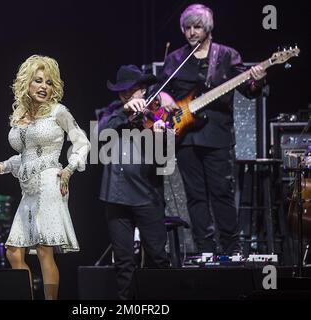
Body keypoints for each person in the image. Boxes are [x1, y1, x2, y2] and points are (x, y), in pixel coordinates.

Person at [156, 4, 267, 255]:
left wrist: (256, 80)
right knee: (195, 197)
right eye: (187, 28)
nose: (192, 32)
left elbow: (249, 90)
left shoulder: (227, 56)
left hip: (217, 137)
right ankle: (205, 250)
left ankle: (231, 249)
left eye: (197, 27)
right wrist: (163, 95)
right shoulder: (176, 58)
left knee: (222, 194)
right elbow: (161, 87)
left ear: (207, 28)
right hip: (186, 137)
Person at [0, 55, 90, 300]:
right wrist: (0, 166)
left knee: (43, 249)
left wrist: (69, 169)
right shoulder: (21, 116)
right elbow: (26, 157)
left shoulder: (58, 112)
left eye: (49, 83)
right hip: (28, 188)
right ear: (27, 84)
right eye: (38, 81)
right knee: (13, 252)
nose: (44, 86)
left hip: (50, 182)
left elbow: (82, 141)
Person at [96, 65, 170, 300]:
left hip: (148, 196)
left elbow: (165, 160)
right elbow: (98, 137)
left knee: (158, 258)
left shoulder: (156, 114)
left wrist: (161, 138)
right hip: (116, 197)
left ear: (143, 90)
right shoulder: (111, 113)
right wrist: (124, 112)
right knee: (123, 262)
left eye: (132, 92)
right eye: (123, 93)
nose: (128, 97)